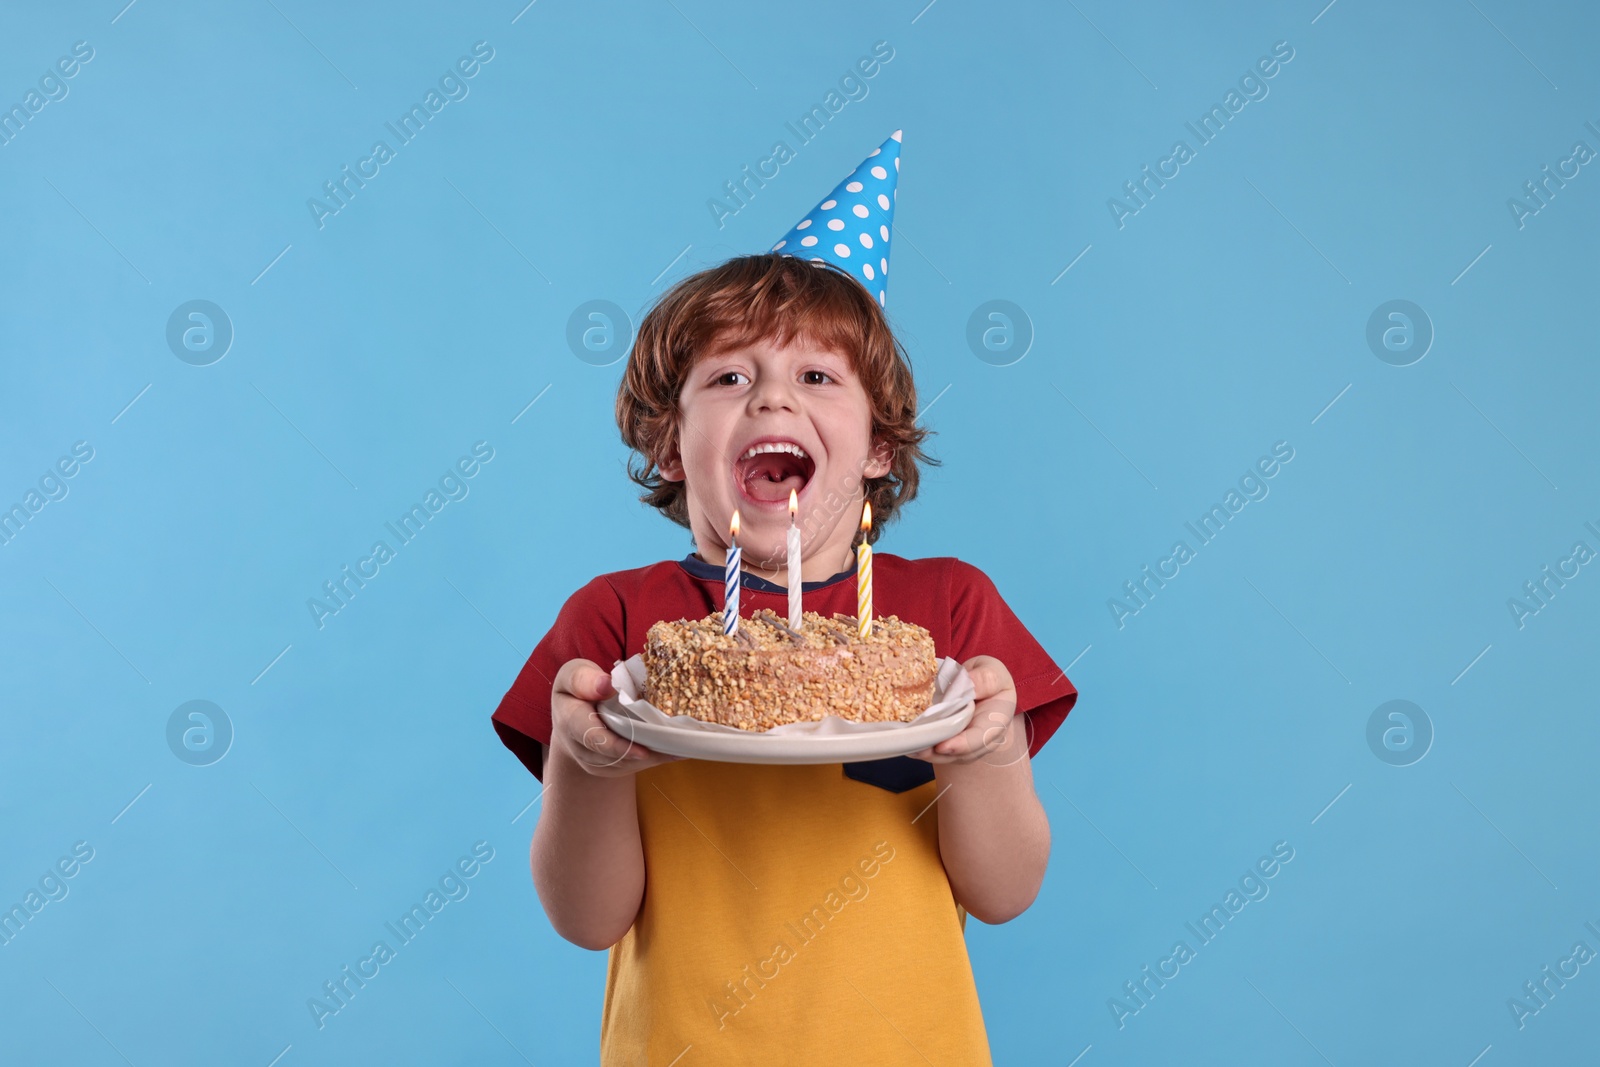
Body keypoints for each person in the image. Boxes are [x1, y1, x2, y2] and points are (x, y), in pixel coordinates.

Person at [491, 133, 1079, 1064]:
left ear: (879, 447)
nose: (771, 400)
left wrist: (991, 746)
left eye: (816, 377)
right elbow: (587, 917)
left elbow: (1005, 890)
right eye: (728, 377)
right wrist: (585, 761)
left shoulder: (946, 615)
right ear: (668, 447)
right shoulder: (619, 625)